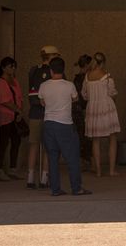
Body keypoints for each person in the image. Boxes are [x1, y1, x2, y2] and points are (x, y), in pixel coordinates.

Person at [39, 57, 92, 196]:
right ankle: (76, 188)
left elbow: (42, 102)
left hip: (48, 124)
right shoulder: (69, 85)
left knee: (52, 157)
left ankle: (55, 189)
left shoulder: (43, 86)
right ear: (63, 70)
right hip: (65, 125)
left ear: (51, 70)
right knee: (72, 158)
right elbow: (75, 99)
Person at [27, 45, 60, 189]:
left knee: (33, 145)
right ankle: (44, 177)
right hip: (50, 114)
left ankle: (30, 177)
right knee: (48, 147)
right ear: (52, 56)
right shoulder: (56, 72)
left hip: (34, 113)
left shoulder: (34, 70)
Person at [82, 52, 121, 177]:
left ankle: (98, 171)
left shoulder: (87, 77)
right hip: (107, 108)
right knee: (112, 138)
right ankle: (111, 170)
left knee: (95, 140)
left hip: (92, 108)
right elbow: (113, 93)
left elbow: (84, 95)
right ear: (103, 62)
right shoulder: (107, 77)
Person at [0, 57, 24, 181]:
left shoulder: (15, 81)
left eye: (14, 66)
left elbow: (19, 96)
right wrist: (17, 109)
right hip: (5, 116)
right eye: (10, 66)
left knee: (16, 142)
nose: (13, 69)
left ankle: (13, 168)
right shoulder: (0, 82)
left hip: (15, 116)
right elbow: (4, 100)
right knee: (3, 142)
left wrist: (20, 111)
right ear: (3, 68)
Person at [72, 54, 92, 167]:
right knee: (83, 137)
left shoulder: (80, 78)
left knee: (83, 137)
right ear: (86, 65)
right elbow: (81, 97)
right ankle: (84, 161)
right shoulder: (81, 79)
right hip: (81, 111)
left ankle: (85, 161)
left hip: (80, 110)